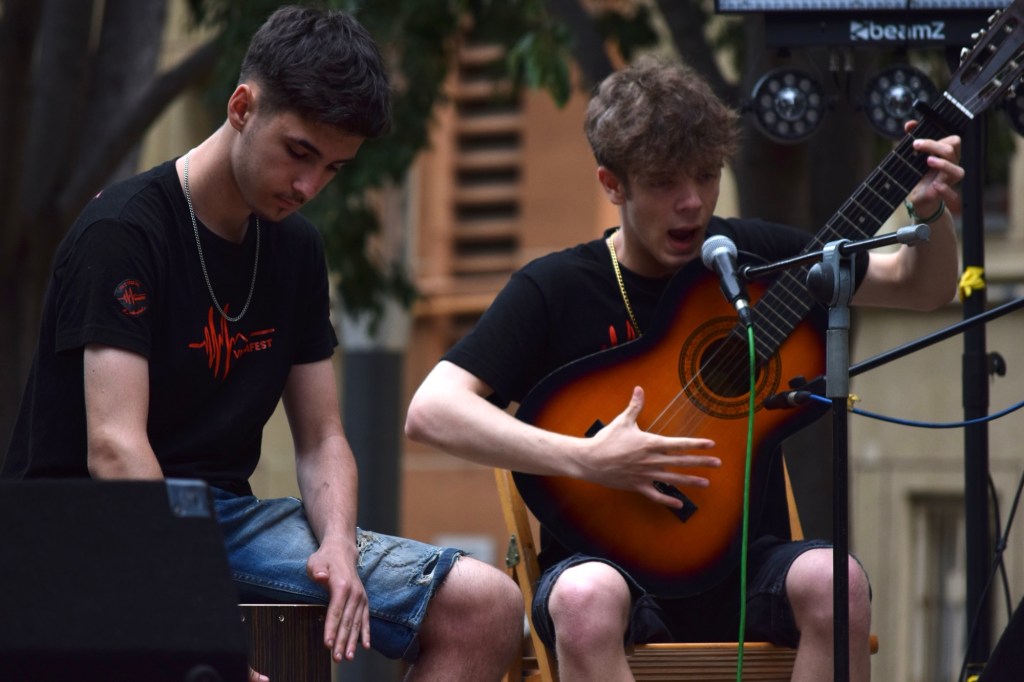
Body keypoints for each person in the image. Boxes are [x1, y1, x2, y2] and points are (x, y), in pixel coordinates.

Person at [2, 6, 523, 682]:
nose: (309, 187)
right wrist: (199, 624)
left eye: (334, 168)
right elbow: (114, 446)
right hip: (88, 527)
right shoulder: (123, 233)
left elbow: (321, 438)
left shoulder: (297, 249)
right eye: (299, 153)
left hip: (227, 520)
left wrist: (338, 545)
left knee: (487, 607)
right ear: (242, 107)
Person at [405, 55, 963, 681]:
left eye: (706, 175)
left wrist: (930, 214)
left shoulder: (756, 260)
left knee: (840, 584)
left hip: (748, 565)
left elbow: (920, 287)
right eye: (664, 182)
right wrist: (590, 458)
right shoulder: (556, 288)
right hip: (606, 571)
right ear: (612, 184)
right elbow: (431, 412)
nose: (692, 202)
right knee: (585, 600)